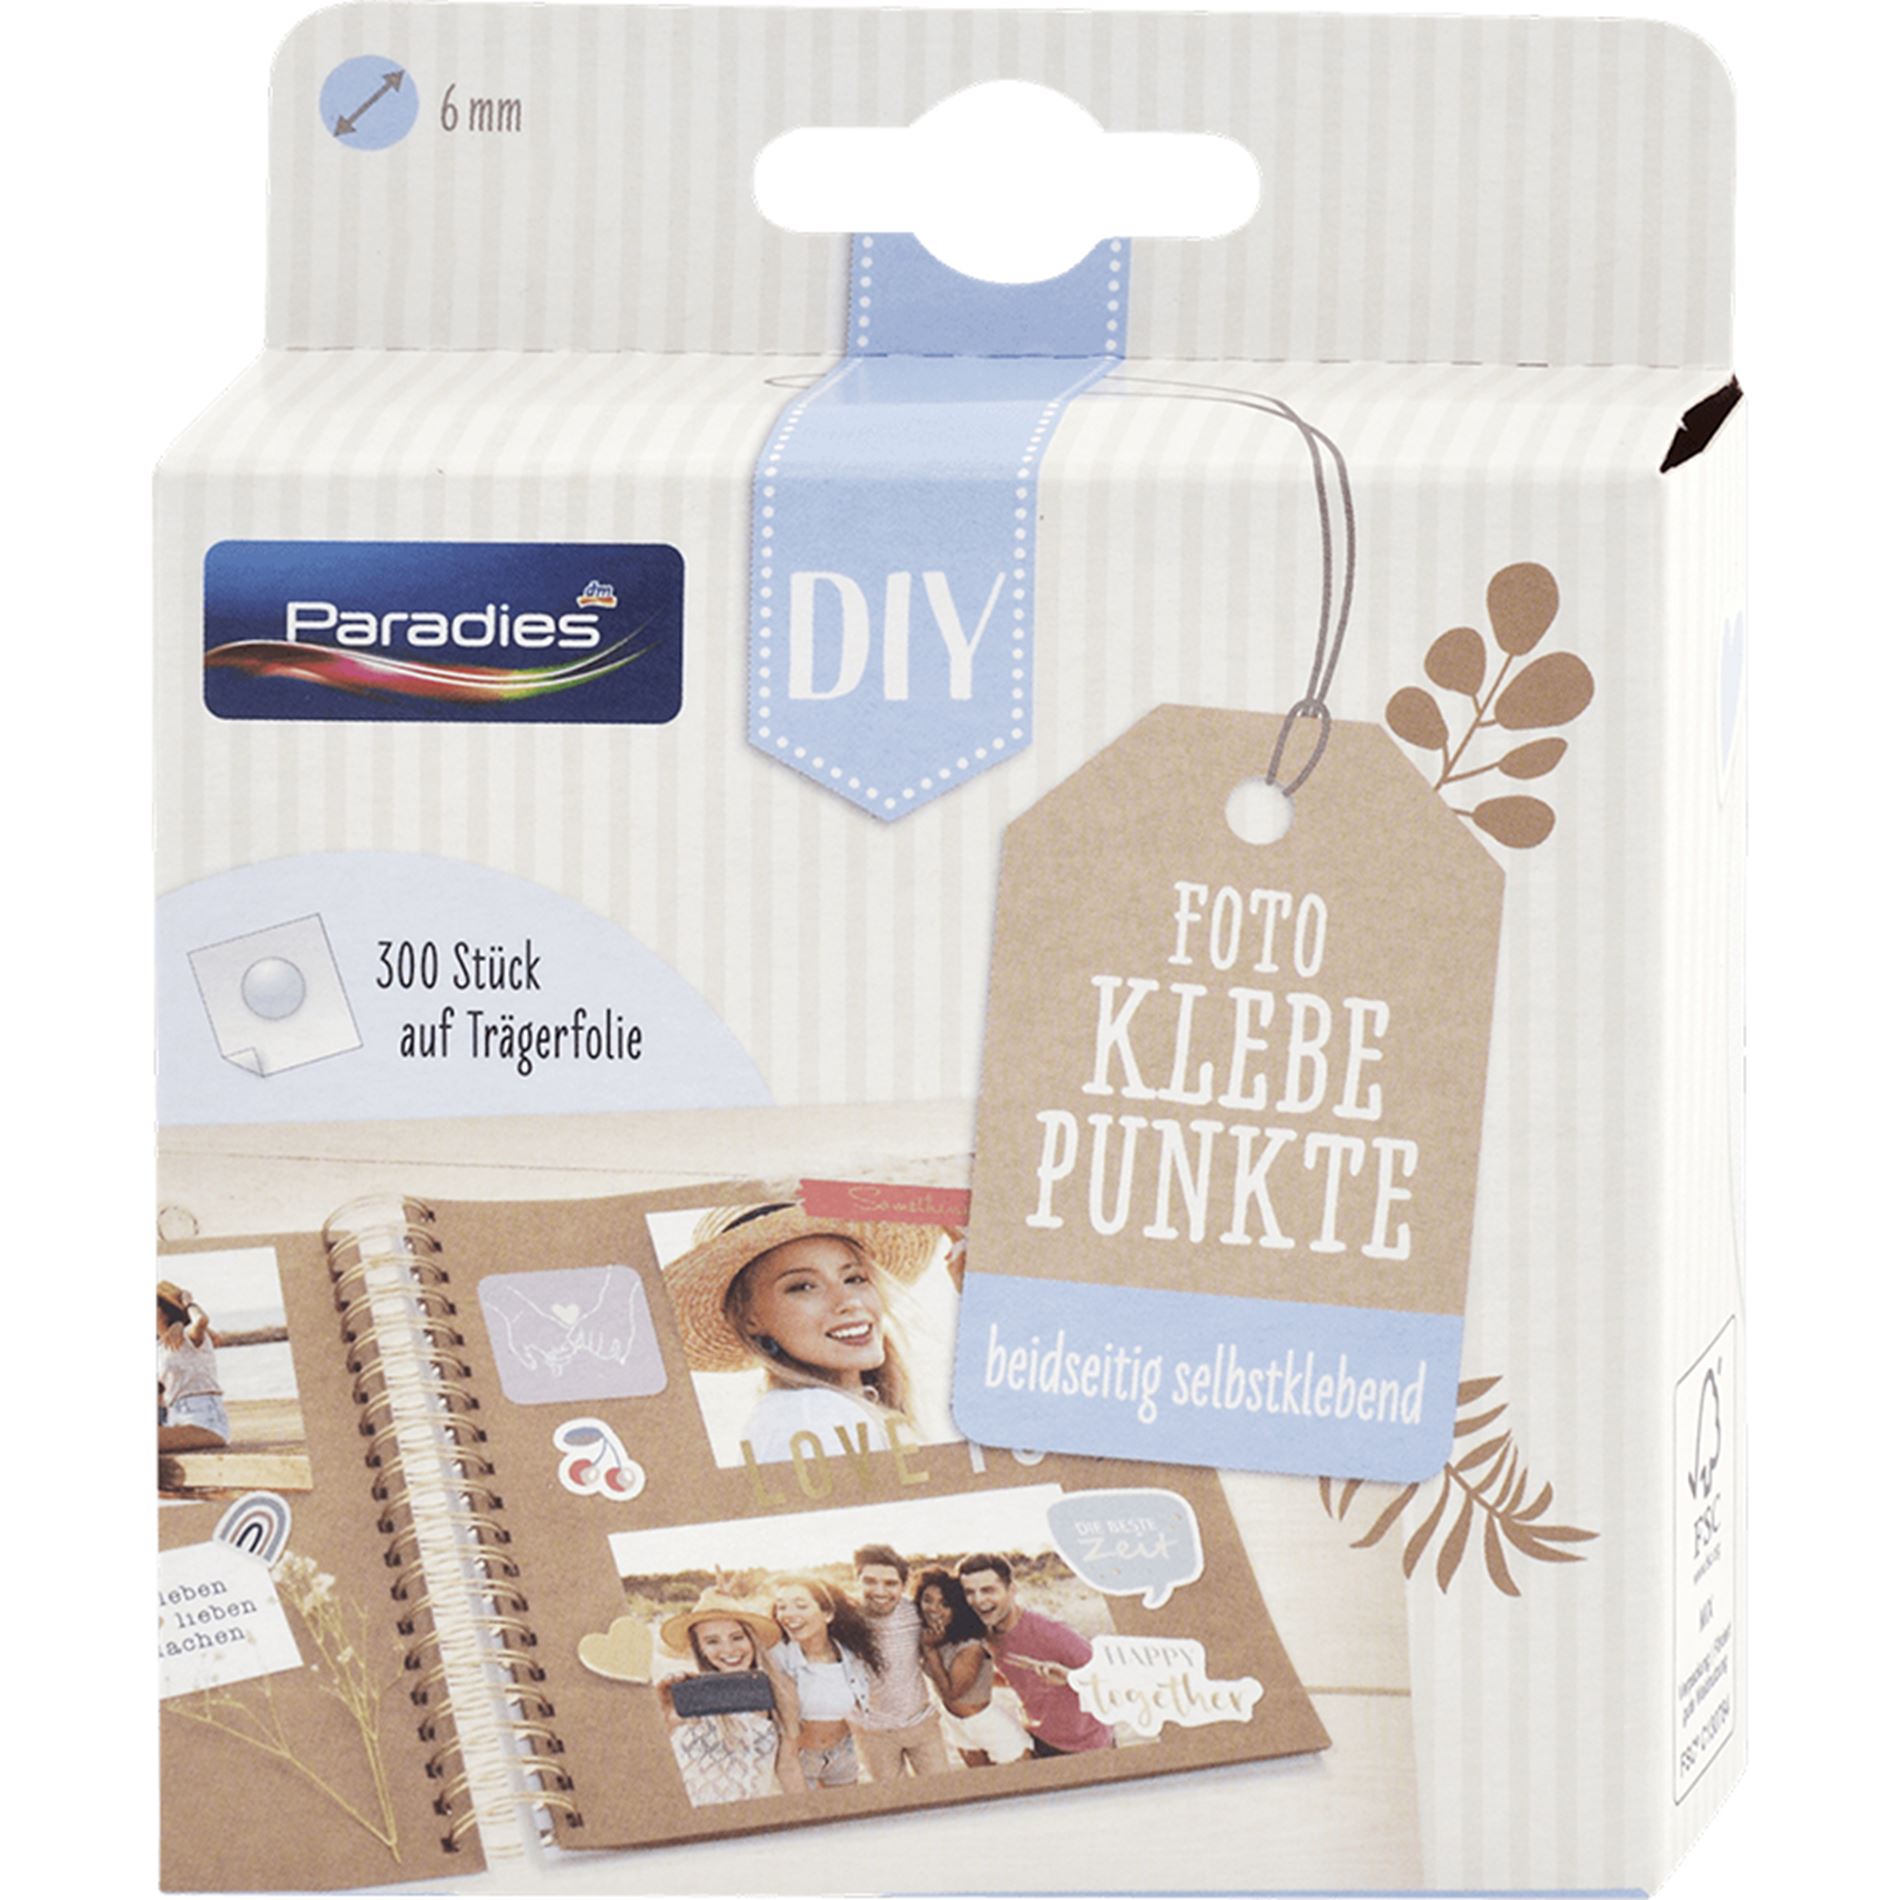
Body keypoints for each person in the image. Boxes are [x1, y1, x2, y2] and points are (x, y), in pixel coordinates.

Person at [661, 1202, 941, 1463]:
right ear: (750, 1319)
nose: (850, 1302)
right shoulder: (814, 1416)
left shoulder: (823, 1412)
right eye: (804, 1287)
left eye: (854, 1278)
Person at [956, 1553, 1115, 1756]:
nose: (978, 1600)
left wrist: (1069, 1677)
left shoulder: (1052, 1633)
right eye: (969, 1592)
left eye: (988, 1590)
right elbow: (1017, 1676)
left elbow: (1108, 1678)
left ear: (1011, 1590)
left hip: (1086, 1745)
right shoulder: (987, 1634)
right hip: (1038, 1738)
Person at [655, 1589, 801, 1807]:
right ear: (700, 1648)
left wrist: (807, 1812)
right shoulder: (684, 1691)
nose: (729, 1649)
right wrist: (663, 1714)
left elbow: (788, 1765)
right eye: (712, 1641)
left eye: (737, 1637)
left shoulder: (780, 1689)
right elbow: (649, 1763)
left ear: (751, 1639)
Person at [765, 1575, 884, 1789]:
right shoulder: (775, 1657)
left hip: (842, 1753)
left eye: (801, 1605)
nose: (788, 1614)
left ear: (827, 1614)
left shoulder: (851, 1654)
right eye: (781, 1607)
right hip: (798, 1759)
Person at [913, 1568, 1033, 1767]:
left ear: (957, 1609)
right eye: (927, 1600)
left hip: (987, 1725)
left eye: (945, 1604)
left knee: (1022, 1781)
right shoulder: (933, 1635)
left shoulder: (971, 1646)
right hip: (956, 1724)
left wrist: (930, 1651)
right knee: (983, 1783)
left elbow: (953, 1693)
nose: (933, 1609)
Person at [851, 1543, 950, 1780]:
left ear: (903, 1586)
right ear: (857, 1580)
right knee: (894, 1796)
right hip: (872, 1732)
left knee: (941, 1790)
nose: (880, 1591)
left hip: (921, 1723)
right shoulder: (845, 1619)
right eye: (870, 1581)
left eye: (890, 1583)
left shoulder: (917, 1613)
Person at [157, 1280, 230, 1452]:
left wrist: (188, 1304)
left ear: (164, 1312)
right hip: (173, 1418)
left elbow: (201, 1320)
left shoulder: (188, 1336)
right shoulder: (158, 1349)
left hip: (204, 1419)